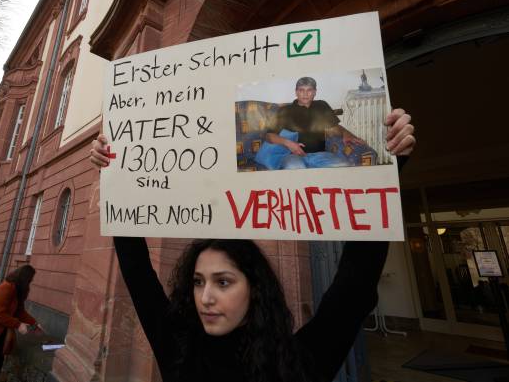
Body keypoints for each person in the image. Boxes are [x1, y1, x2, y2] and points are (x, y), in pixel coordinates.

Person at [90, 108, 415, 382]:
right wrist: (117, 173)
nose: (206, 297)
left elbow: (353, 286)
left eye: (224, 281)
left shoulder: (296, 363)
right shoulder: (176, 347)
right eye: (198, 282)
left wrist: (389, 167)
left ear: (255, 288)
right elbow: (136, 269)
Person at [263, 76, 366, 169]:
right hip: (292, 156)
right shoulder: (284, 110)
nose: (305, 94)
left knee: (343, 166)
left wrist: (346, 133)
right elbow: (269, 136)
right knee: (295, 168)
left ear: (315, 92)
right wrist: (289, 144)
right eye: (301, 90)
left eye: (309, 90)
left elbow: (334, 128)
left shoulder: (321, 106)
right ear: (296, 92)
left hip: (320, 155)